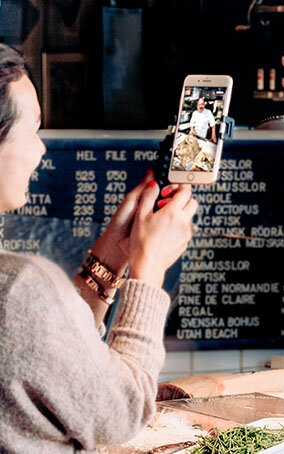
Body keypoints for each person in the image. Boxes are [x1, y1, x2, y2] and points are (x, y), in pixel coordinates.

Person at [0, 44, 198, 451]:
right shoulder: (19, 286)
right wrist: (149, 273)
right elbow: (120, 412)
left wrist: (109, 258)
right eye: (32, 130)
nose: (41, 150)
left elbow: (46, 361)